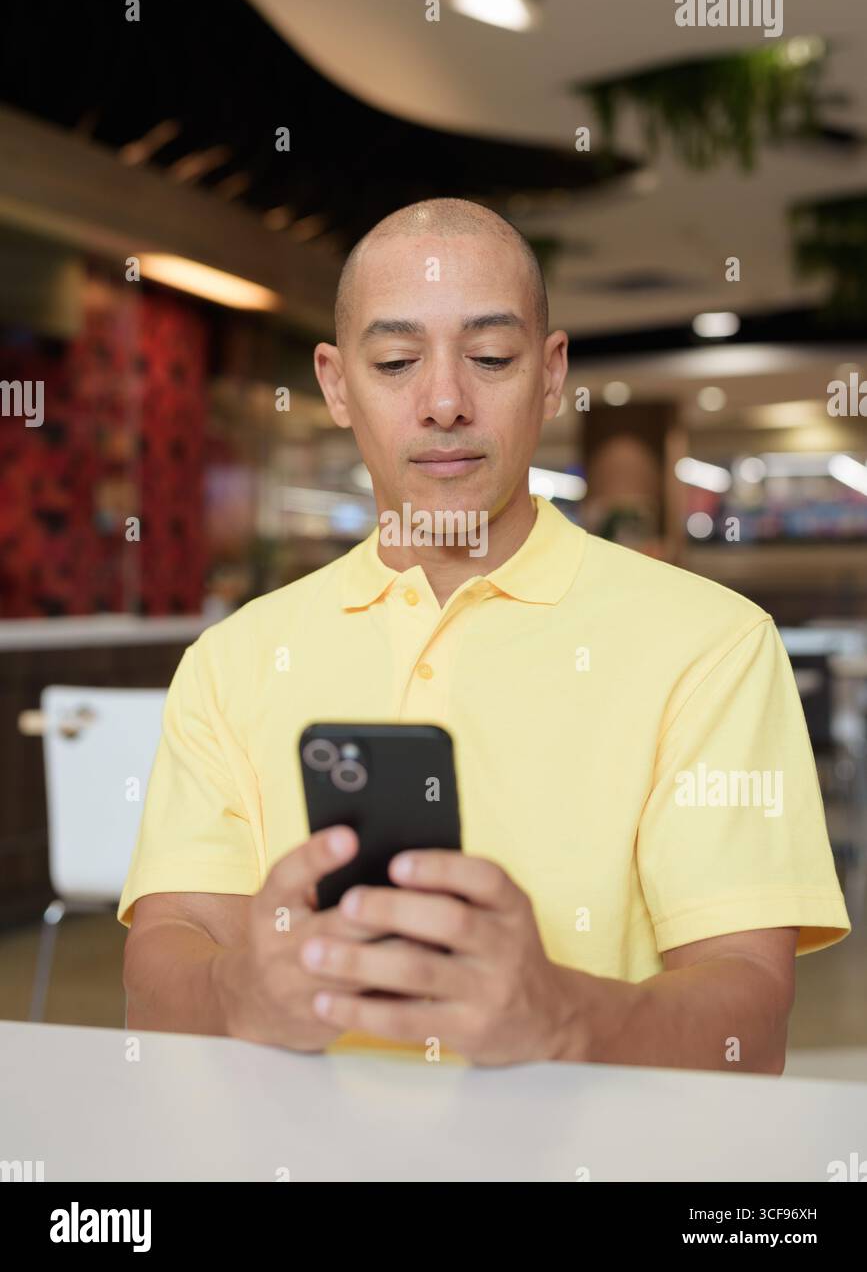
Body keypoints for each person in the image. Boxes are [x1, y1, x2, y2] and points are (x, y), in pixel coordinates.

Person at [119, 198, 851, 1071]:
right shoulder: (231, 659)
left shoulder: (714, 646)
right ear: (335, 383)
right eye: (395, 361)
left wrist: (561, 1017)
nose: (442, 401)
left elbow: (748, 1017)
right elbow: (168, 952)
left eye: (490, 358)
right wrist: (244, 990)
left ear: (549, 375)